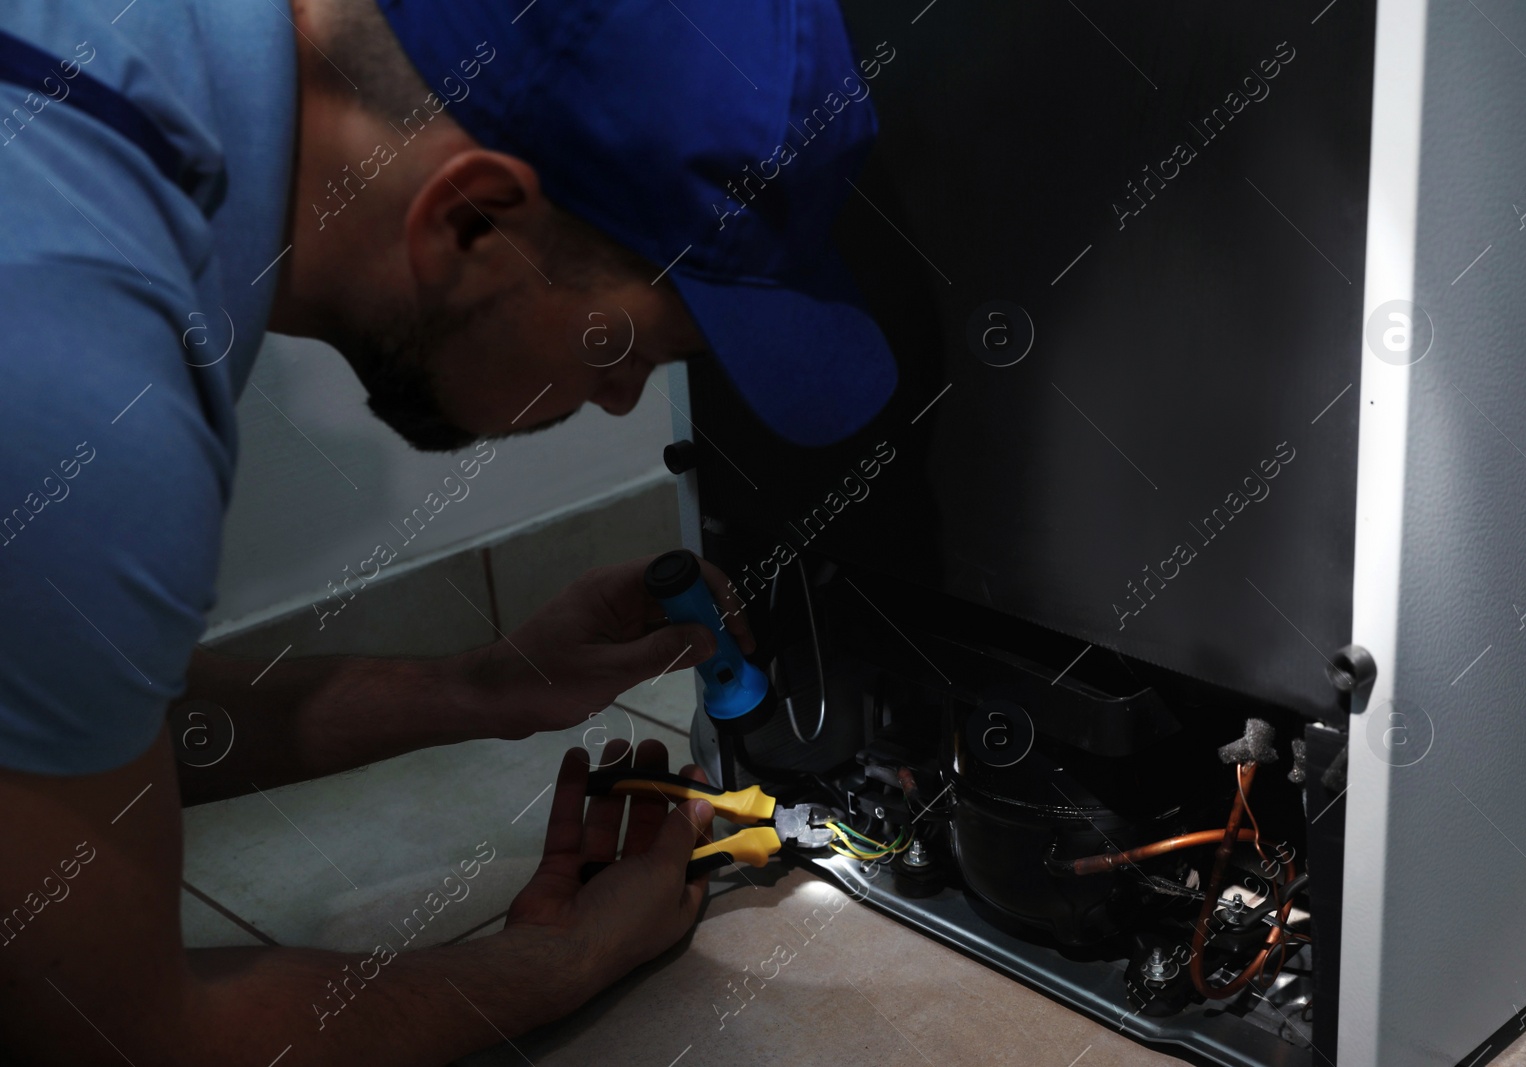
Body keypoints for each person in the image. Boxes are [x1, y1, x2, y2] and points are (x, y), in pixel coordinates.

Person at [0, 0, 897, 1061]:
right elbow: (118, 1036)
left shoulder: (129, 81)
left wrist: (481, 686)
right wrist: (561, 964)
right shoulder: (72, 369)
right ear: (469, 219)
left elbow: (66, 717)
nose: (616, 403)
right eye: (627, 352)